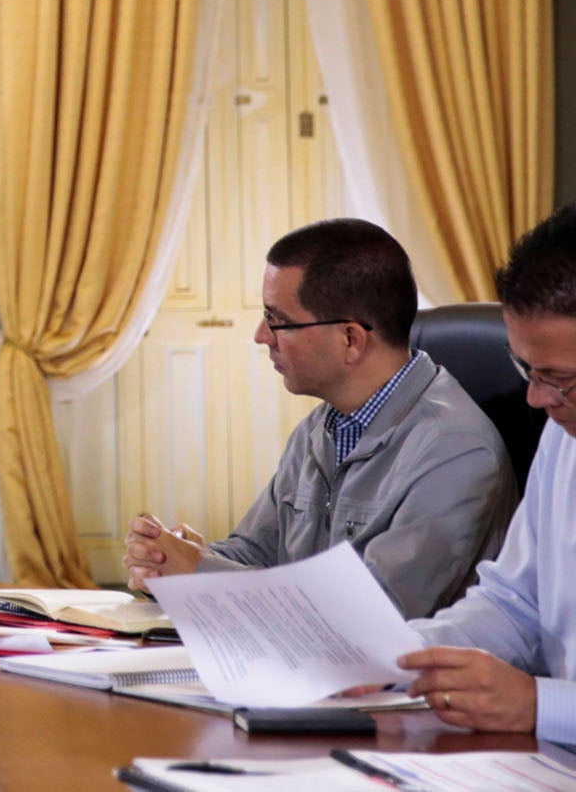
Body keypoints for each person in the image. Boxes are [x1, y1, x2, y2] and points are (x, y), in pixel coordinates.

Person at [124, 219, 513, 619]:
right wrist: (175, 557)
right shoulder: (320, 426)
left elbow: (375, 613)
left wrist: (200, 572)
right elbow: (257, 552)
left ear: (350, 339)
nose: (261, 335)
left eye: (278, 320)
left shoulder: (456, 449)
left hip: (398, 680)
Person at [399, 205, 576, 737]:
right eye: (526, 368)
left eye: (558, 377)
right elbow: (513, 604)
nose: (535, 396)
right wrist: (404, 654)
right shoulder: (562, 438)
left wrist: (540, 706)